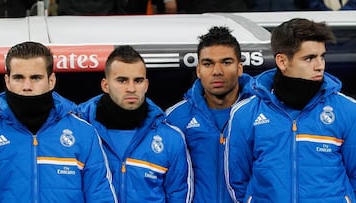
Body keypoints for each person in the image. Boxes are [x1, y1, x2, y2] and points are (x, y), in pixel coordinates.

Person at [225, 18, 356, 202]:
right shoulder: (245, 113)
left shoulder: (348, 110)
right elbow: (237, 181)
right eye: (309, 58)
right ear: (282, 61)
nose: (320, 65)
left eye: (322, 56)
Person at [0, 41, 117, 202]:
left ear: (51, 80)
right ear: (7, 81)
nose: (27, 86)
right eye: (18, 77)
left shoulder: (83, 133)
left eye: (36, 78)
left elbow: (101, 196)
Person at [76, 45, 194, 202]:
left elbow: (178, 194)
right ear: (105, 85)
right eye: (122, 80)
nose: (131, 88)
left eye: (137, 81)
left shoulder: (170, 138)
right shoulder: (80, 131)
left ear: (146, 85)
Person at [166, 26, 253, 202]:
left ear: (239, 68)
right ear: (198, 70)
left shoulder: (261, 114)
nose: (217, 71)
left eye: (226, 62)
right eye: (208, 63)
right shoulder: (175, 118)